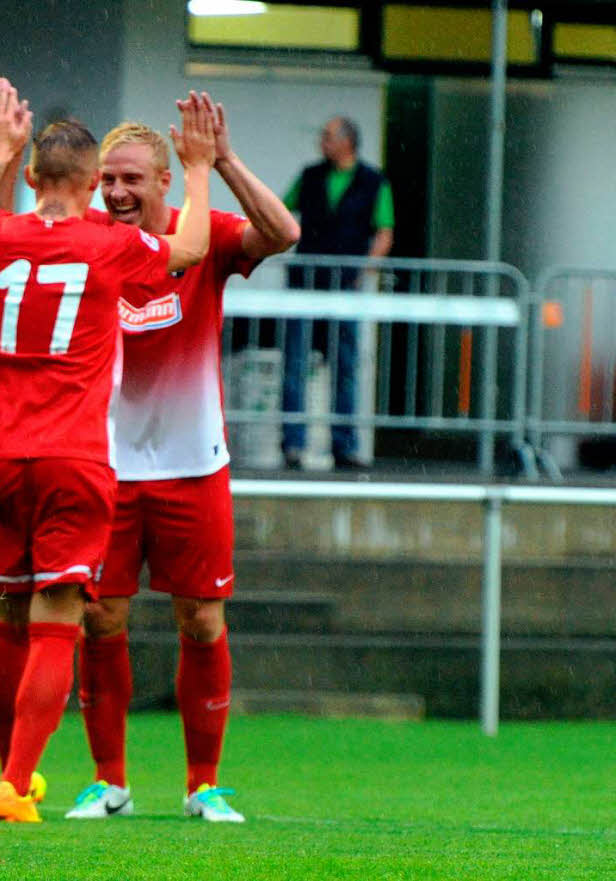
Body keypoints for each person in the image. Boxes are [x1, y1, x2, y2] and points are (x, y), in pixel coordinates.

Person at [0, 74, 215, 823]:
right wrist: (195, 166)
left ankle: (12, 773)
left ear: (32, 177)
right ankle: (16, 781)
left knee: (6, 613)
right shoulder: (110, 244)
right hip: (70, 454)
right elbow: (190, 246)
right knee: (58, 614)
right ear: (96, 182)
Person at [65, 95, 299, 823]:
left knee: (200, 620)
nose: (117, 192)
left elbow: (284, 232)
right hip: (103, 465)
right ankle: (111, 782)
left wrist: (221, 160)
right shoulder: (92, 238)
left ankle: (204, 784)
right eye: (107, 179)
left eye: (132, 178)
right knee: (100, 617)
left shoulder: (207, 234)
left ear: (167, 180)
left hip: (194, 463)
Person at [281, 116, 394, 471]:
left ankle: (343, 446)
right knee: (295, 363)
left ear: (347, 141)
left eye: (328, 136)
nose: (322, 142)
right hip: (306, 280)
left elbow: (384, 231)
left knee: (345, 365)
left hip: (343, 286)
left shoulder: (373, 182)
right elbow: (282, 212)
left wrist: (362, 272)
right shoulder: (311, 175)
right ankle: (293, 444)